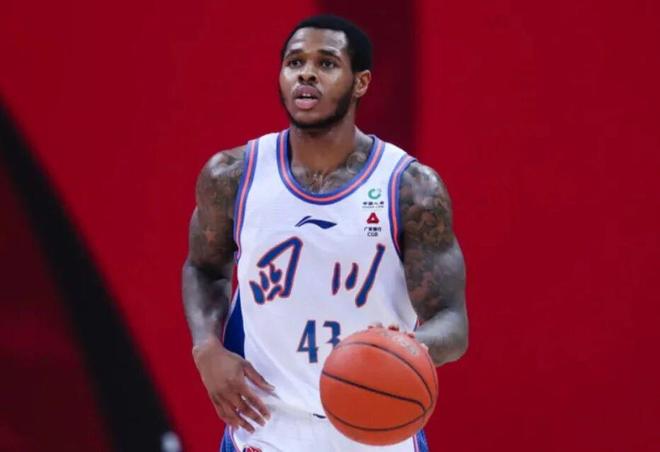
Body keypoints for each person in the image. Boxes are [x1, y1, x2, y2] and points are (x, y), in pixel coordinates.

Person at [182, 14, 468, 452]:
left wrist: (404, 352)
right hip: (265, 424)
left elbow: (452, 321)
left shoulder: (410, 189)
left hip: (376, 425)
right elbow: (202, 267)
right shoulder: (232, 176)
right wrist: (206, 347)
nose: (307, 74)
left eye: (327, 63)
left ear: (361, 82)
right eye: (295, 62)